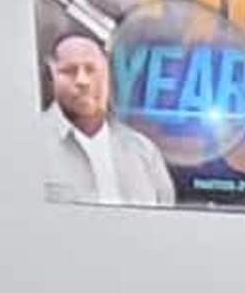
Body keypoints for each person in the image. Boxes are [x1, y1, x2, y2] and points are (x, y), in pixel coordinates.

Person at [39, 27, 177, 208]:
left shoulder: (144, 151)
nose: (82, 81)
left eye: (91, 69)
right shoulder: (29, 142)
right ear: (52, 77)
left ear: (108, 75)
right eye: (70, 70)